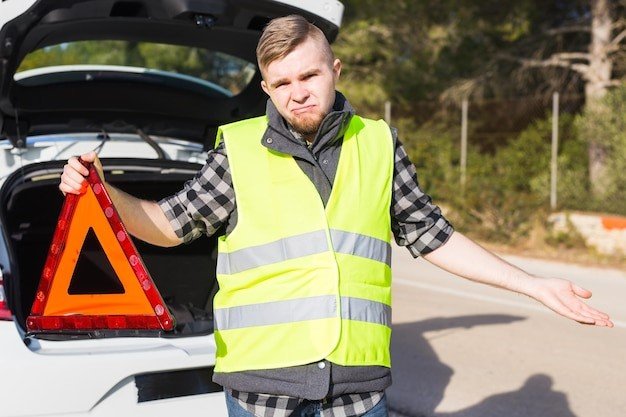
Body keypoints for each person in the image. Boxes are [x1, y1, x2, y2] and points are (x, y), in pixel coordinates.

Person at [60, 14, 613, 417]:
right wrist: (105, 193)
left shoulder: (378, 144)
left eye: (309, 76)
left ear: (334, 69)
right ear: (267, 89)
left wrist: (533, 285)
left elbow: (433, 236)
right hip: (262, 396)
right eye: (281, 84)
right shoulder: (238, 153)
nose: (297, 93)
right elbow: (166, 224)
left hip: (357, 393)